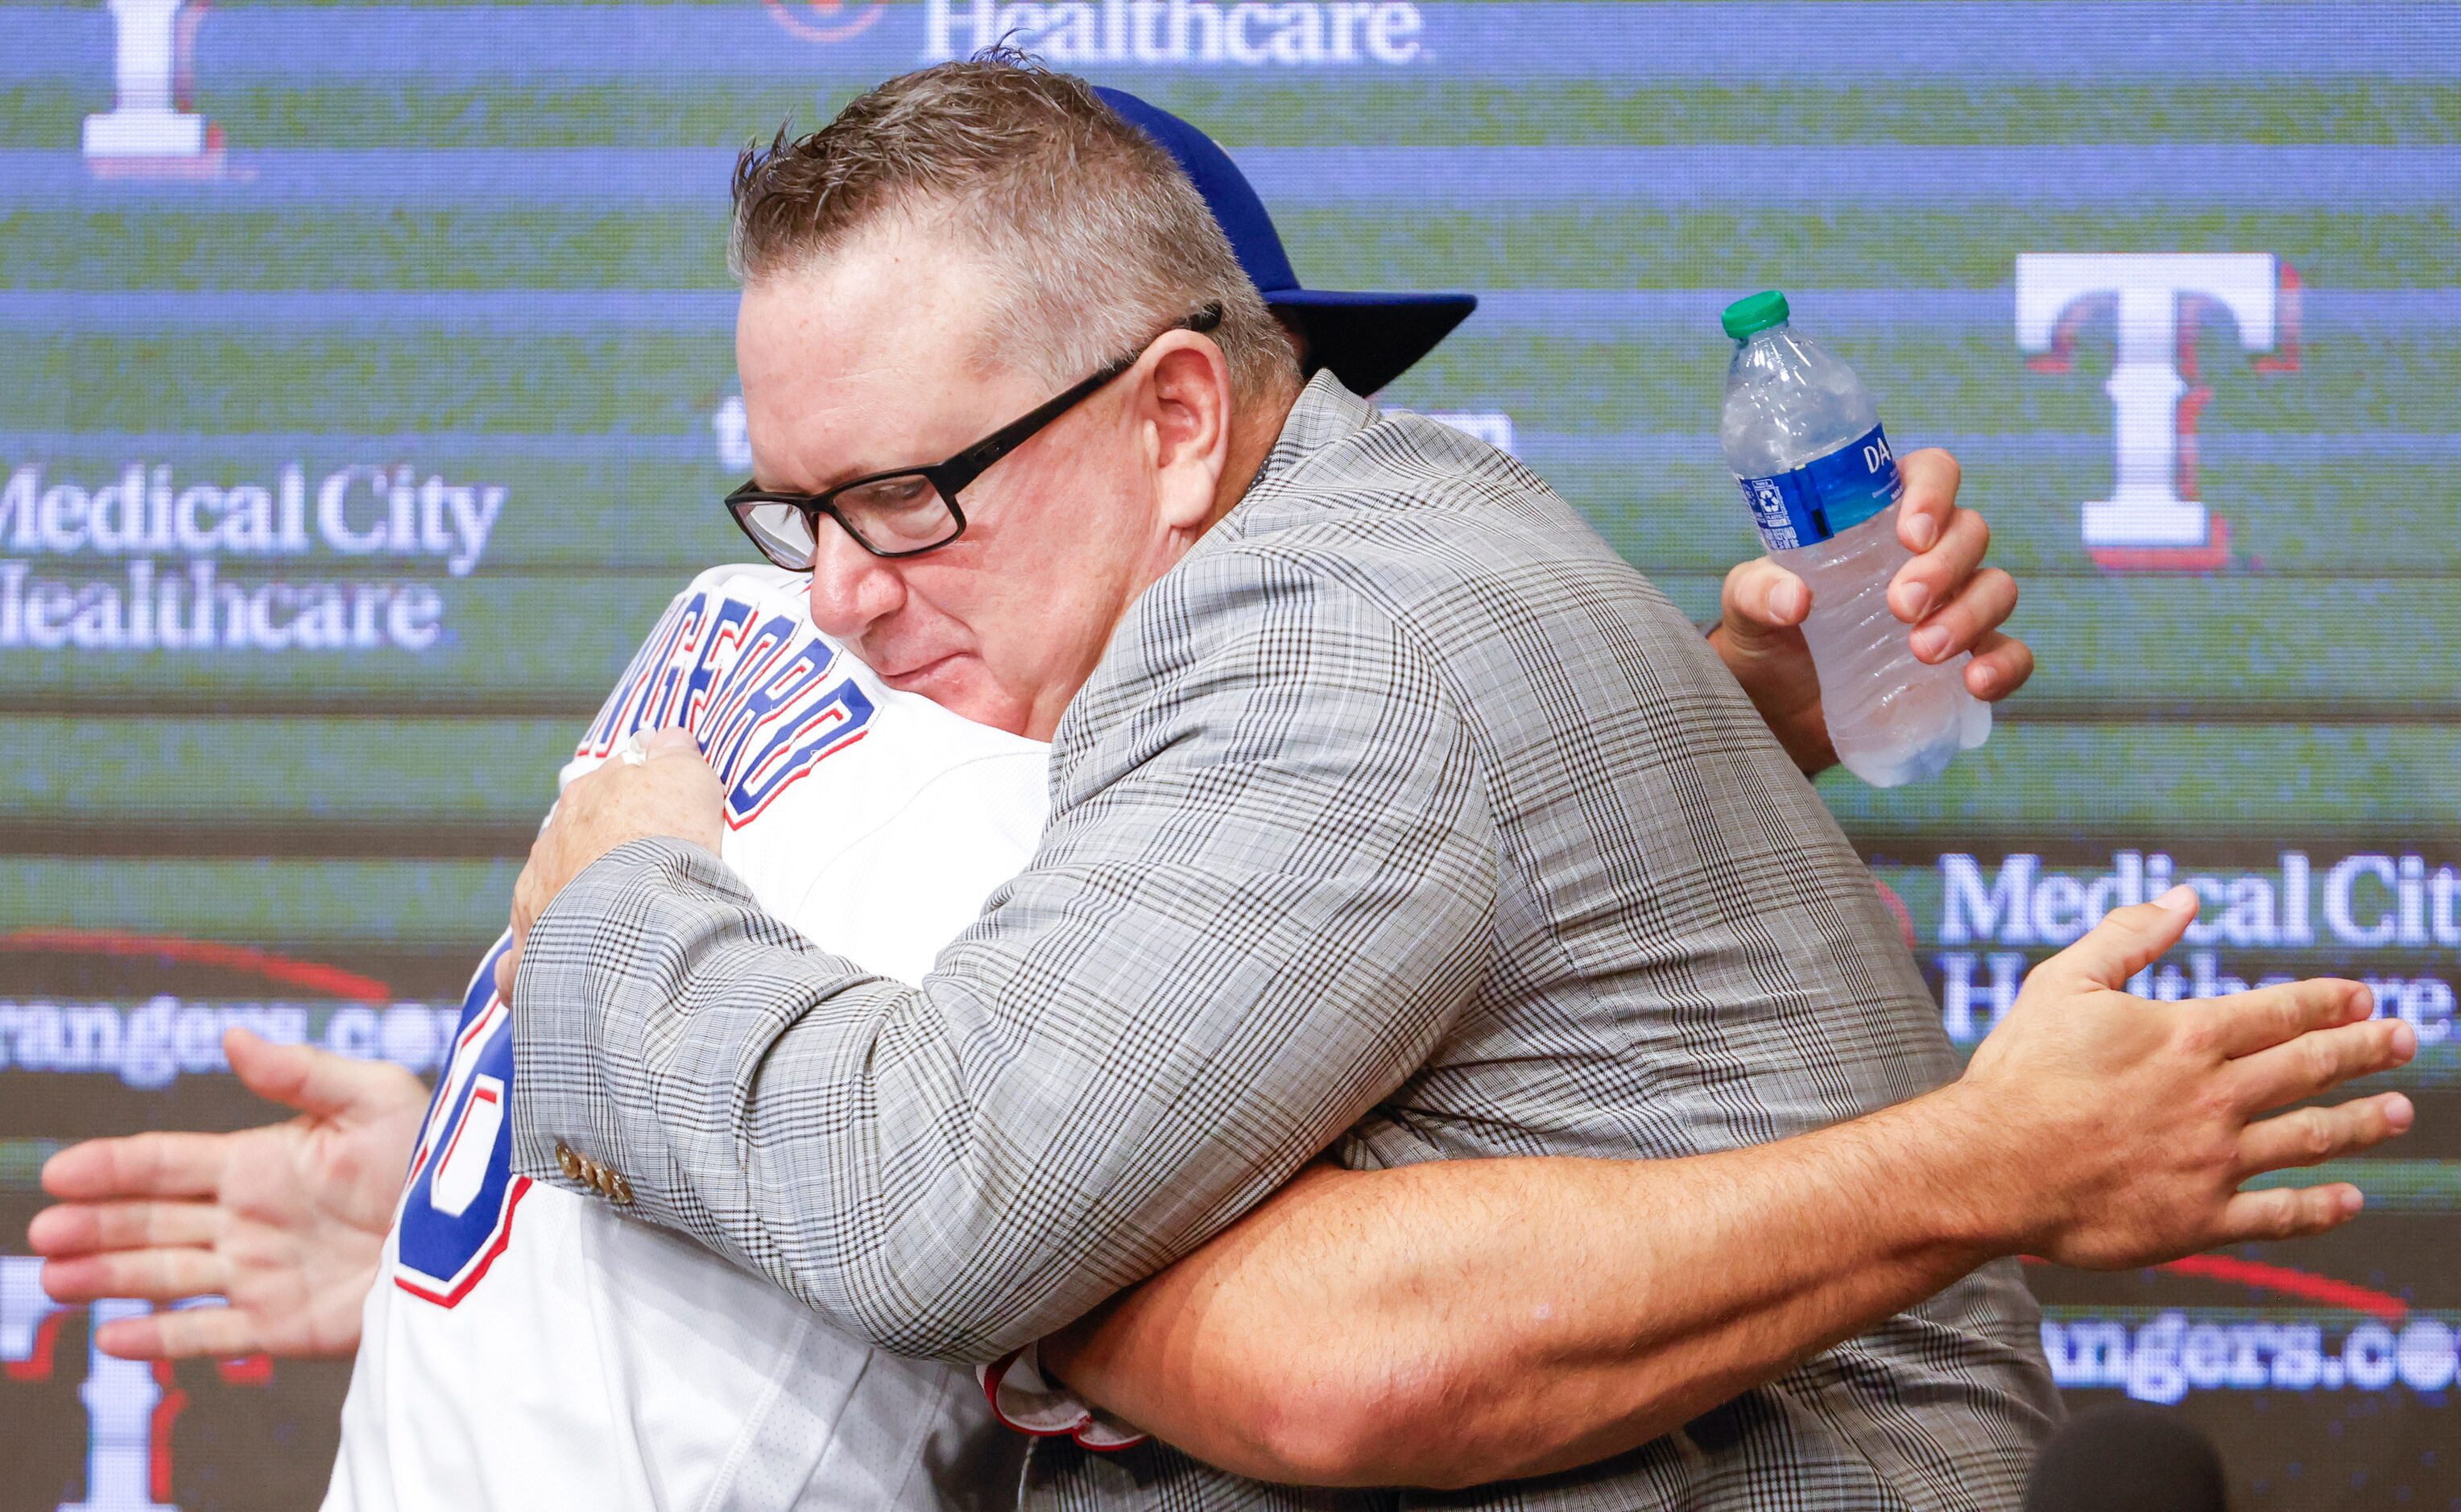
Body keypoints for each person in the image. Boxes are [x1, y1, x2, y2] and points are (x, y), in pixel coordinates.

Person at [33, 64, 2408, 1509]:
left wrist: (618, 947)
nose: (836, 599)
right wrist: (587, 1230)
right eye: (795, 516)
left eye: (906, 499)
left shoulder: (1317, 623)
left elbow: (976, 1218)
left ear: (1182, 419)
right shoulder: (1218, 632)